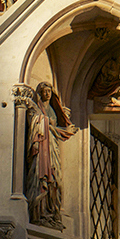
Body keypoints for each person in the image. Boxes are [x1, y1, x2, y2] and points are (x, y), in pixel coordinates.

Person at [24, 82, 76, 228]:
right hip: (42, 148)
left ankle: (52, 212)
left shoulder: (52, 110)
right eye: (44, 91)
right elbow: (37, 125)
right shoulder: (36, 109)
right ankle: (39, 211)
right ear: (40, 93)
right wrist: (51, 126)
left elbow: (54, 128)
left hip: (52, 147)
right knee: (41, 176)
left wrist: (61, 129)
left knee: (55, 177)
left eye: (49, 91)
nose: (47, 94)